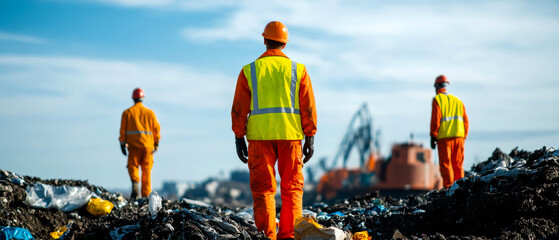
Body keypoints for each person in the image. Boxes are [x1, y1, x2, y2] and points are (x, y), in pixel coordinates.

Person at [231, 21, 317, 240]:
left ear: (264, 40)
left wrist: (239, 137)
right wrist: (310, 137)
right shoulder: (298, 70)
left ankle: (266, 236)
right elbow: (308, 107)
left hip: (260, 139)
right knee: (292, 189)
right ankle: (288, 236)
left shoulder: (249, 71)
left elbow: (239, 108)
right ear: (285, 44)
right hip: (291, 137)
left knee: (263, 190)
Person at [119, 88, 161, 199]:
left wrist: (122, 144)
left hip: (133, 146)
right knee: (146, 171)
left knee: (133, 166)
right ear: (143, 98)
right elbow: (156, 129)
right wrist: (156, 143)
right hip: (147, 146)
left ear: (133, 98)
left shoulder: (127, 113)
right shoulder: (150, 113)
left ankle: (135, 185)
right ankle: (146, 196)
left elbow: (123, 130)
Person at [430, 75, 469, 188]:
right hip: (459, 138)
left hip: (444, 139)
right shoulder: (458, 101)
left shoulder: (437, 100)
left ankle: (449, 189)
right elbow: (466, 121)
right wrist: (463, 135)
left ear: (437, 87)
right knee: (458, 165)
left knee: (446, 165)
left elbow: (436, 120)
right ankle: (461, 188)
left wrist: (433, 136)